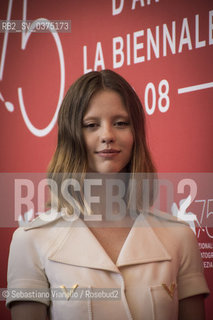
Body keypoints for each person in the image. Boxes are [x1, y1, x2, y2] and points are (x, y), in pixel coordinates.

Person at [7, 70, 209, 320]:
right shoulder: (29, 241)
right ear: (71, 137)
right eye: (91, 125)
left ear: (136, 135)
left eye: (121, 123)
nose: (108, 136)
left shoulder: (180, 236)